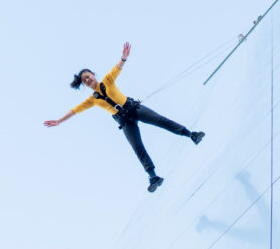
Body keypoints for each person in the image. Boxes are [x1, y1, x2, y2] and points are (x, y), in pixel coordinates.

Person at [44, 42, 205, 193]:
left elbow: (118, 67)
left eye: (88, 76)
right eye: (84, 80)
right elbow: (75, 111)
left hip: (134, 109)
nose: (87, 80)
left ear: (93, 74)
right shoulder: (92, 100)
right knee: (137, 148)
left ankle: (192, 135)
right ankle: (153, 177)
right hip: (125, 121)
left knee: (160, 121)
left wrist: (124, 57)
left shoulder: (108, 80)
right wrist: (59, 121)